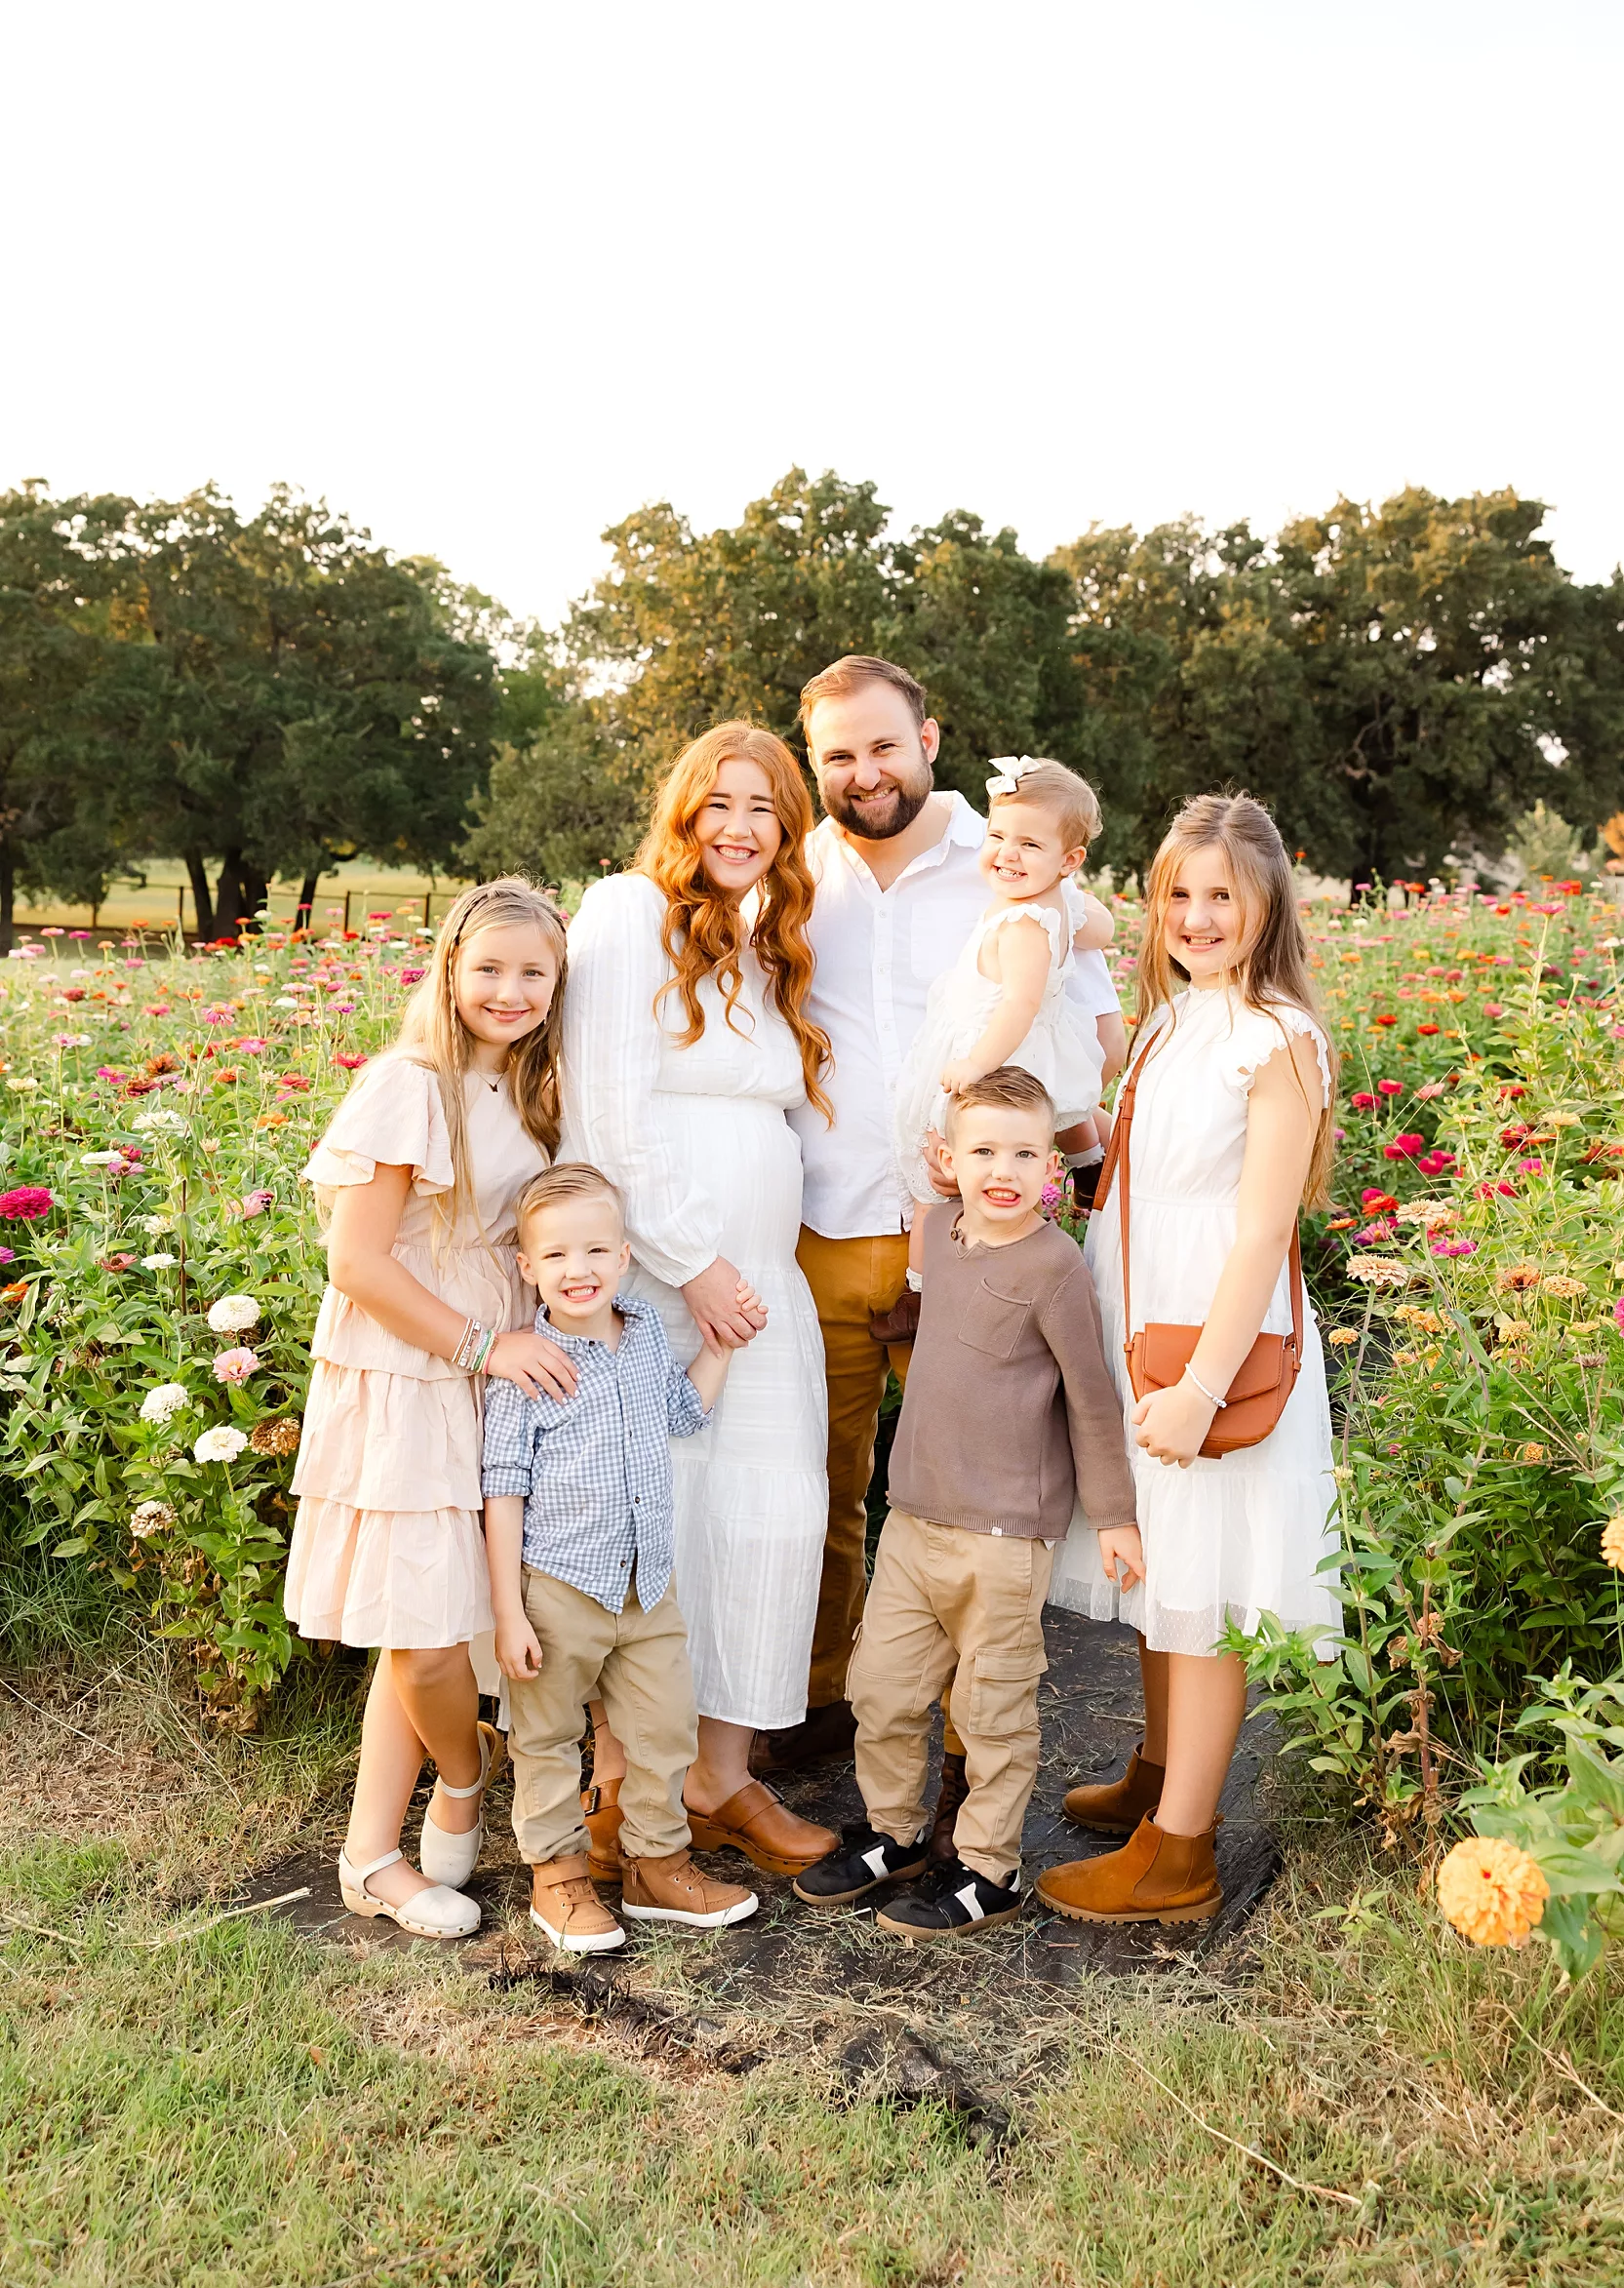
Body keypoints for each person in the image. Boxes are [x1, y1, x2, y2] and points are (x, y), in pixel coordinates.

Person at [766, 656, 1125, 1799]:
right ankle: (825, 1704)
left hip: (977, 1236)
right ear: (814, 761)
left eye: (882, 745)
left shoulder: (1003, 856)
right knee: (821, 1482)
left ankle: (978, 1742)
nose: (863, 772)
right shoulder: (794, 868)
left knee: (987, 1494)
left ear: (928, 738)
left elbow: (1098, 939)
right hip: (825, 1219)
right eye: (838, 754)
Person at [1040, 793, 1341, 1927]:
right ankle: (1164, 1771)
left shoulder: (1276, 1038)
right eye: (1180, 893)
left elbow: (1263, 1230)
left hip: (1215, 1341)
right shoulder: (1173, 1023)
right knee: (1164, 1569)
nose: (1200, 915)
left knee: (1206, 1584)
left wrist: (1203, 1386)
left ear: (1267, 906)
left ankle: (1182, 1854)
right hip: (1143, 1318)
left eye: (1224, 895)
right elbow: (1135, 1176)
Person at [560, 724, 839, 1879]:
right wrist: (692, 1260)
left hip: (766, 1287)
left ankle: (722, 1778)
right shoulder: (631, 912)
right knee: (658, 1519)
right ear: (682, 815)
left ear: (789, 830)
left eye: (766, 809)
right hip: (669, 1281)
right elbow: (607, 1109)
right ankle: (624, 1791)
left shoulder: (773, 946)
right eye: (718, 804)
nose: (739, 827)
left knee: (769, 1523)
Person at [286, 878, 577, 1939]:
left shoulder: (530, 1088)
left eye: (533, 972)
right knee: (425, 1638)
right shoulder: (412, 1083)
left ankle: (369, 1856)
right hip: (413, 1365)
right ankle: (465, 1772)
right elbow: (357, 1260)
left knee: (427, 1617)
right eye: (488, 968)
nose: (509, 990)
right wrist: (481, 1345)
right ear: (449, 969)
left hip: (493, 1363)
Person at [792, 1069, 1140, 1937]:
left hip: (1001, 1532)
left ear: (1051, 1168)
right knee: (883, 1687)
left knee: (990, 1705)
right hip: (913, 1516)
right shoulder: (938, 1232)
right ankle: (892, 1834)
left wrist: (1115, 1515)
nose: (1004, 1169)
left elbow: (1091, 1398)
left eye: (1026, 1152)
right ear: (946, 1159)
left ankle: (989, 1867)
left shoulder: (1055, 1267)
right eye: (982, 1150)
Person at [483, 1164, 763, 1953]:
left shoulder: (641, 1337)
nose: (580, 1271)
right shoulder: (526, 1364)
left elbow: (683, 1411)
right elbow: (501, 1488)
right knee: (543, 1736)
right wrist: (509, 1610)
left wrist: (722, 1346)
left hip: (645, 1584)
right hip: (559, 1586)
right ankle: (559, 1877)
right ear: (527, 1267)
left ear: (625, 1257)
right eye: (558, 1256)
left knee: (665, 1727)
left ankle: (654, 1865)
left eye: (598, 1250)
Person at [893, 756, 1108, 1297]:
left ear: (1069, 859)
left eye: (1030, 845)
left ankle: (919, 1294)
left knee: (932, 1183)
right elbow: (1098, 928)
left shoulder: (1020, 923)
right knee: (1069, 1106)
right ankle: (1090, 1165)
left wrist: (975, 1064)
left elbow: (1019, 1004)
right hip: (1039, 1047)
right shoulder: (1057, 901)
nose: (1006, 854)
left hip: (998, 1050)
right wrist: (1078, 907)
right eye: (997, 835)